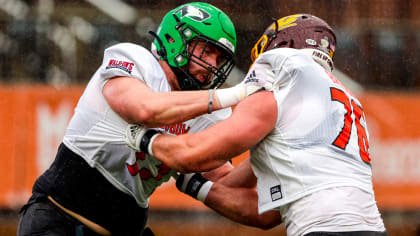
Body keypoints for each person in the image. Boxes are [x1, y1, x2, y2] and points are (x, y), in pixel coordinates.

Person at [17, 2, 274, 235]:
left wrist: (268, 136)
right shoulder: (135, 59)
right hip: (59, 220)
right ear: (176, 39)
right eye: (207, 52)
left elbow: (227, 186)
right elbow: (144, 109)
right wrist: (238, 93)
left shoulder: (210, 108)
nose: (213, 66)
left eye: (219, 59)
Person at [126, 14, 388, 235]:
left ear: (283, 44)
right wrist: (198, 185)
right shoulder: (340, 95)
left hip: (325, 228)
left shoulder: (286, 67)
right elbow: (256, 202)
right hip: (372, 227)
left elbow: (195, 153)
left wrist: (144, 138)